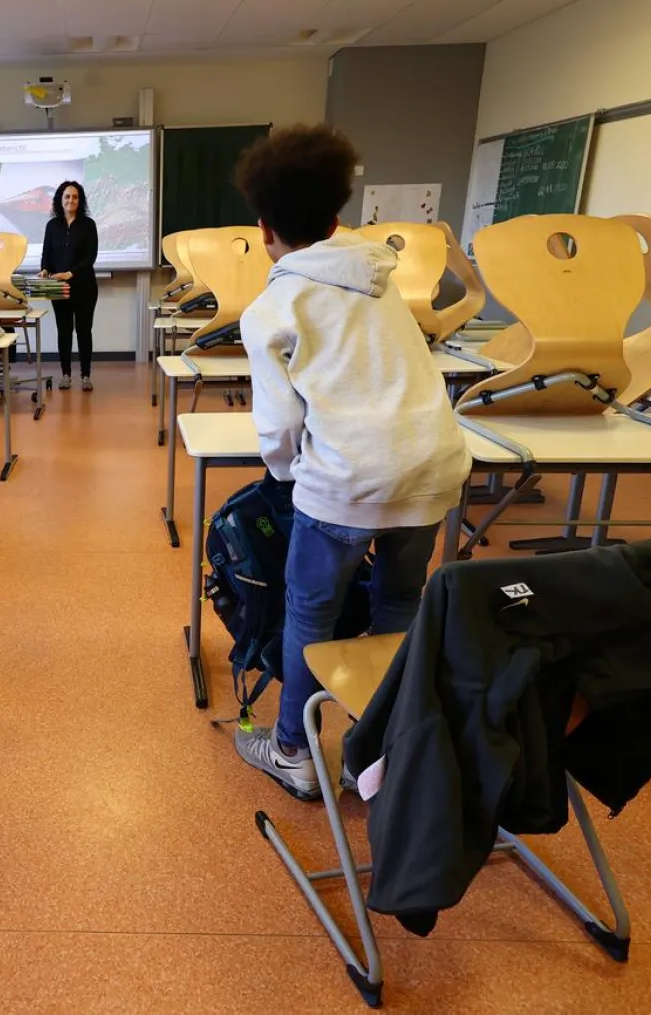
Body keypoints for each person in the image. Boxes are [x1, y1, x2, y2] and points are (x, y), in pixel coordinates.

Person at [230, 124, 473, 800]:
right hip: (431, 468)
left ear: (263, 228)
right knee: (398, 604)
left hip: (344, 480)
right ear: (337, 216)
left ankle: (294, 752)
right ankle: (371, 754)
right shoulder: (381, 279)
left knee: (309, 615)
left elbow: (280, 428)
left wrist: (289, 476)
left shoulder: (274, 306)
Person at [39, 181, 99, 391]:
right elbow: (46, 254)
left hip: (84, 287)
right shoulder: (52, 226)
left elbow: (90, 257)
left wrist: (70, 273)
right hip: (59, 288)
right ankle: (65, 375)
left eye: (75, 197)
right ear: (60, 199)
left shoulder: (88, 225)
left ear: (80, 200)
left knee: (84, 331)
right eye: (67, 196)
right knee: (63, 331)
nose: (70, 200)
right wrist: (45, 270)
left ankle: (85, 376)